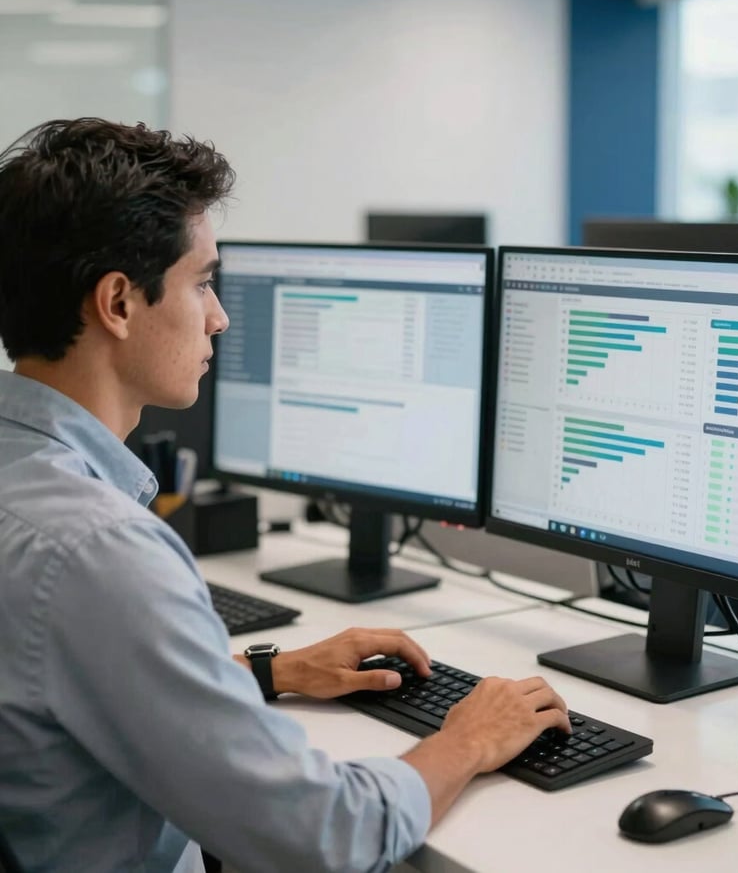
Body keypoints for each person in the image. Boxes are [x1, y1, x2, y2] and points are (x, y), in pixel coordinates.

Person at [0, 118, 570, 873]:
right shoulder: (99, 549)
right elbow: (320, 836)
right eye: (201, 282)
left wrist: (270, 672)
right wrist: (468, 739)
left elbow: (66, 690)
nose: (220, 315)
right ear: (117, 303)